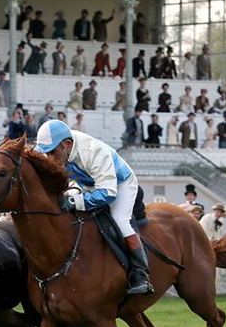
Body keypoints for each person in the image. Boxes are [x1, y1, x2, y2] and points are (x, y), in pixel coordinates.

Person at [36, 119, 152, 294]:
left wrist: (75, 201)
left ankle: (141, 273)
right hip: (89, 184)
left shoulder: (93, 151)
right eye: (46, 153)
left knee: (120, 220)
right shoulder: (62, 148)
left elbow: (108, 193)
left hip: (120, 184)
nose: (49, 159)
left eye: (52, 153)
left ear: (67, 144)